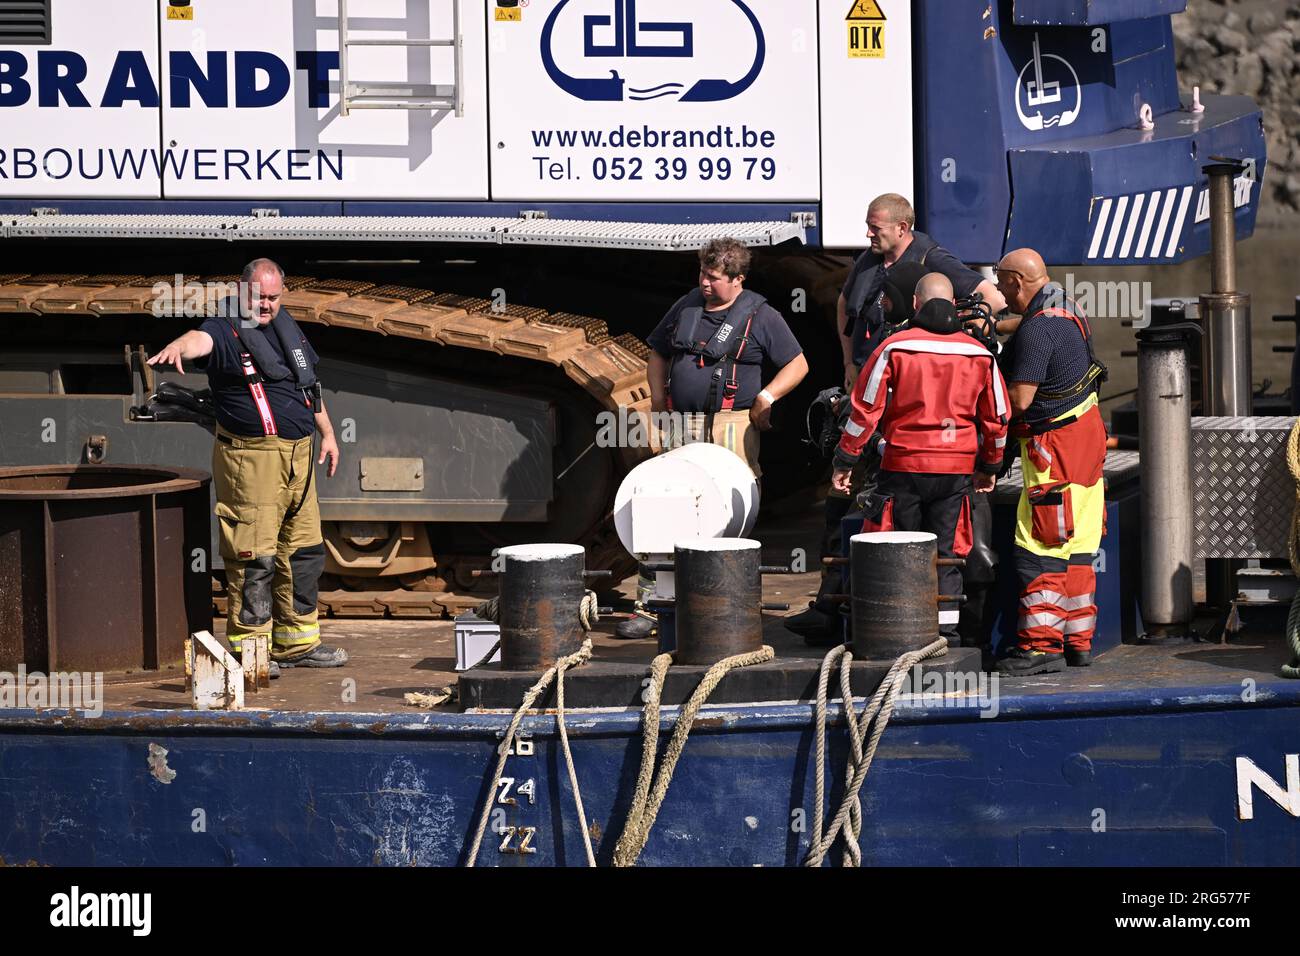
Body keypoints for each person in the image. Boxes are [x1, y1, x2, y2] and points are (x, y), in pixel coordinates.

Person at [148, 259, 348, 672]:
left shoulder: (286, 330)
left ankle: (297, 644)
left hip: (299, 457)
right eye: (259, 296)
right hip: (252, 460)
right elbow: (197, 341)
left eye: (274, 297)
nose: (267, 305)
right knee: (254, 557)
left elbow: (309, 388)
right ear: (241, 292)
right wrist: (177, 348)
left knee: (304, 553)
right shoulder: (223, 330)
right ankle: (252, 653)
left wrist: (328, 434)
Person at [615, 238, 810, 639]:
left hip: (731, 425)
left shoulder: (762, 316)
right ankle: (652, 606)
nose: (705, 283)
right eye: (703, 274)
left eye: (715, 278)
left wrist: (766, 397)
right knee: (662, 502)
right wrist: (656, 398)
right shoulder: (685, 306)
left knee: (725, 511)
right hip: (680, 423)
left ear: (738, 280)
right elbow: (657, 352)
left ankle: (721, 602)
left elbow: (798, 363)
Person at [829, 273, 1010, 644]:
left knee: (898, 547)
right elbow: (998, 418)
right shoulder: (980, 354)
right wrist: (989, 466)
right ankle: (946, 634)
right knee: (946, 552)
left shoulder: (894, 348)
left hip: (903, 467)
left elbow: (864, 411)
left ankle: (900, 631)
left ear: (915, 304)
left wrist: (845, 460)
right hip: (956, 468)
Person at [784, 258, 928, 643]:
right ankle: (831, 606)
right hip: (920, 459)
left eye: (884, 297)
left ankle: (840, 610)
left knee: (854, 521)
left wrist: (849, 447)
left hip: (894, 459)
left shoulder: (901, 346)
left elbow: (876, 405)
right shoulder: (936, 341)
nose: (878, 304)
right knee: (844, 517)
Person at [993, 248, 1109, 675]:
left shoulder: (1038, 332)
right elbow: (1023, 323)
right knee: (1080, 547)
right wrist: (991, 325)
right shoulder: (1066, 306)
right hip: (1088, 442)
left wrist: (981, 400)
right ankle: (1078, 642)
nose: (999, 292)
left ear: (1017, 282)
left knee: (1040, 546)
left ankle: (1041, 647)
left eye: (1000, 282)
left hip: (1053, 451)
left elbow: (1020, 401)